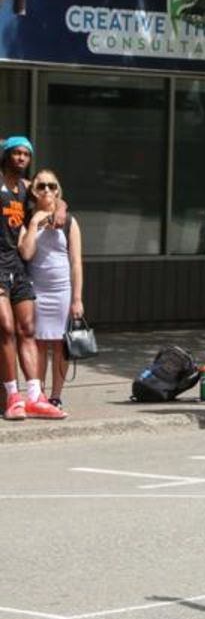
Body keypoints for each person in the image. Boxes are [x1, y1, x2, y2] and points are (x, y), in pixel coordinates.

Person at [1, 137, 66, 421]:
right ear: (6, 155)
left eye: (26, 154)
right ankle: (12, 396)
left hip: (19, 267)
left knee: (28, 329)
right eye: (15, 153)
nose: (21, 158)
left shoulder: (27, 188)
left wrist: (60, 208)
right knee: (6, 328)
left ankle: (35, 396)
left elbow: (55, 197)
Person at [18, 170, 82, 409]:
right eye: (42, 186)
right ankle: (39, 394)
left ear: (58, 190)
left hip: (63, 290)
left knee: (60, 345)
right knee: (38, 344)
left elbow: (76, 262)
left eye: (52, 186)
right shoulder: (25, 219)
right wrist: (35, 221)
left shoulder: (70, 221)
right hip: (36, 289)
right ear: (33, 191)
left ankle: (56, 395)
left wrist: (77, 298)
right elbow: (26, 253)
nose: (47, 190)